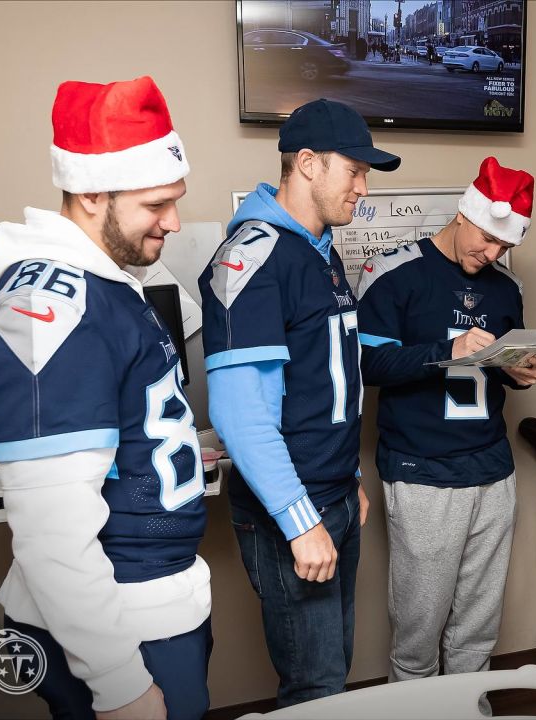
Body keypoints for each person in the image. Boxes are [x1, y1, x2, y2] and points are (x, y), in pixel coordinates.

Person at [0, 76, 211, 719]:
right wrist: (118, 682)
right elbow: (52, 531)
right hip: (121, 622)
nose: (174, 222)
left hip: (154, 598)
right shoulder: (54, 302)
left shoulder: (109, 281)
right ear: (91, 191)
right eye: (156, 204)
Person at [198, 99, 400, 707]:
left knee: (332, 673)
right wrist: (300, 518)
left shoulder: (320, 249)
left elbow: (327, 379)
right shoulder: (256, 255)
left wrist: (349, 474)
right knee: (314, 691)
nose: (364, 189)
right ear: (307, 164)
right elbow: (238, 414)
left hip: (333, 492)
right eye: (355, 172)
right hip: (294, 510)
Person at [355, 156, 536, 688]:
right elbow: (367, 365)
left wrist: (518, 370)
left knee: (477, 629)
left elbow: (499, 363)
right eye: (486, 238)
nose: (491, 254)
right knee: (419, 631)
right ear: (464, 213)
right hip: (423, 469)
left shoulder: (506, 288)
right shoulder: (392, 271)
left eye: (504, 247)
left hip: (492, 465)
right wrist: (447, 349)